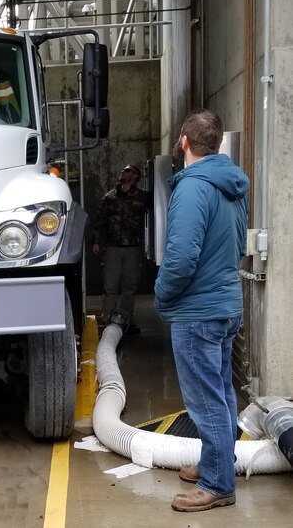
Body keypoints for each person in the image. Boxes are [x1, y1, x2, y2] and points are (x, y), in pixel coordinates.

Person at [154, 109, 249, 513]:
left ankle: (216, 485)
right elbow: (239, 244)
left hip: (198, 312)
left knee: (207, 401)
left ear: (184, 142)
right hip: (226, 304)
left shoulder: (193, 188)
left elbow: (180, 259)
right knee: (222, 393)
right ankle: (217, 464)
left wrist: (161, 295)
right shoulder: (231, 186)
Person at [92, 164, 146, 332]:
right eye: (123, 170)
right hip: (113, 247)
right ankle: (109, 321)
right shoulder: (110, 197)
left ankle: (126, 320)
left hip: (133, 246)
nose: (123, 173)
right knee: (110, 286)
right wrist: (96, 241)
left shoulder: (143, 197)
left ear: (135, 176)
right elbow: (100, 221)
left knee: (129, 286)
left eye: (128, 171)